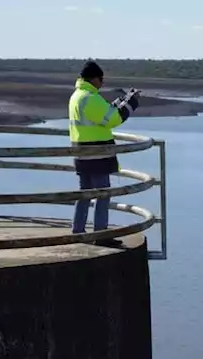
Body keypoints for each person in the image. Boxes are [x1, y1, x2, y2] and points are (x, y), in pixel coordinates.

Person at [67, 60, 141, 236]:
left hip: (81, 152)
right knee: (103, 193)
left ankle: (78, 231)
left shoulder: (77, 96)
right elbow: (112, 119)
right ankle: (101, 234)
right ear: (94, 79)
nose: (102, 83)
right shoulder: (89, 98)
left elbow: (104, 113)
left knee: (84, 194)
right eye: (102, 79)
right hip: (97, 153)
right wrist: (132, 104)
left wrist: (121, 102)